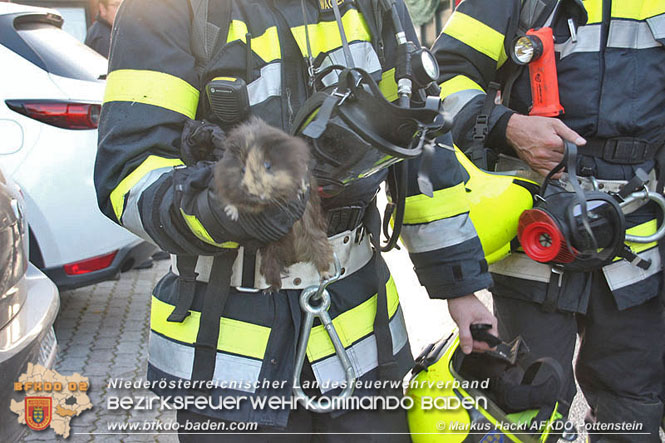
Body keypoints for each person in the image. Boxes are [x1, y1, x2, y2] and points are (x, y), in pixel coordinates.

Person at [94, 0, 497, 440]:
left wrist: (460, 288)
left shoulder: (375, 5)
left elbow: (421, 147)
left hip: (360, 347)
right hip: (230, 369)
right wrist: (237, 204)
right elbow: (129, 176)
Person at [432, 0, 665, 441]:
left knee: (633, 409)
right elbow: (441, 76)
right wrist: (505, 126)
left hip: (636, 239)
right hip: (534, 237)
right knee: (526, 406)